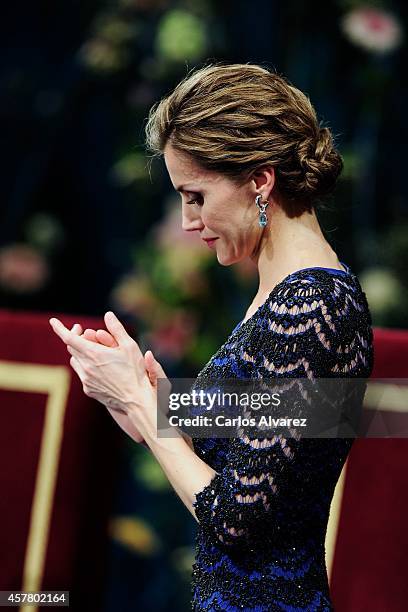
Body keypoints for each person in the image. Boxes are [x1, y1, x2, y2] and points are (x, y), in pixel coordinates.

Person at [50, 63, 374, 611]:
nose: (187, 221)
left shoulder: (312, 306)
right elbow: (254, 444)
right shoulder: (289, 295)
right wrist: (143, 395)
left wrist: (136, 398)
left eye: (195, 195)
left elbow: (236, 516)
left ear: (260, 180)